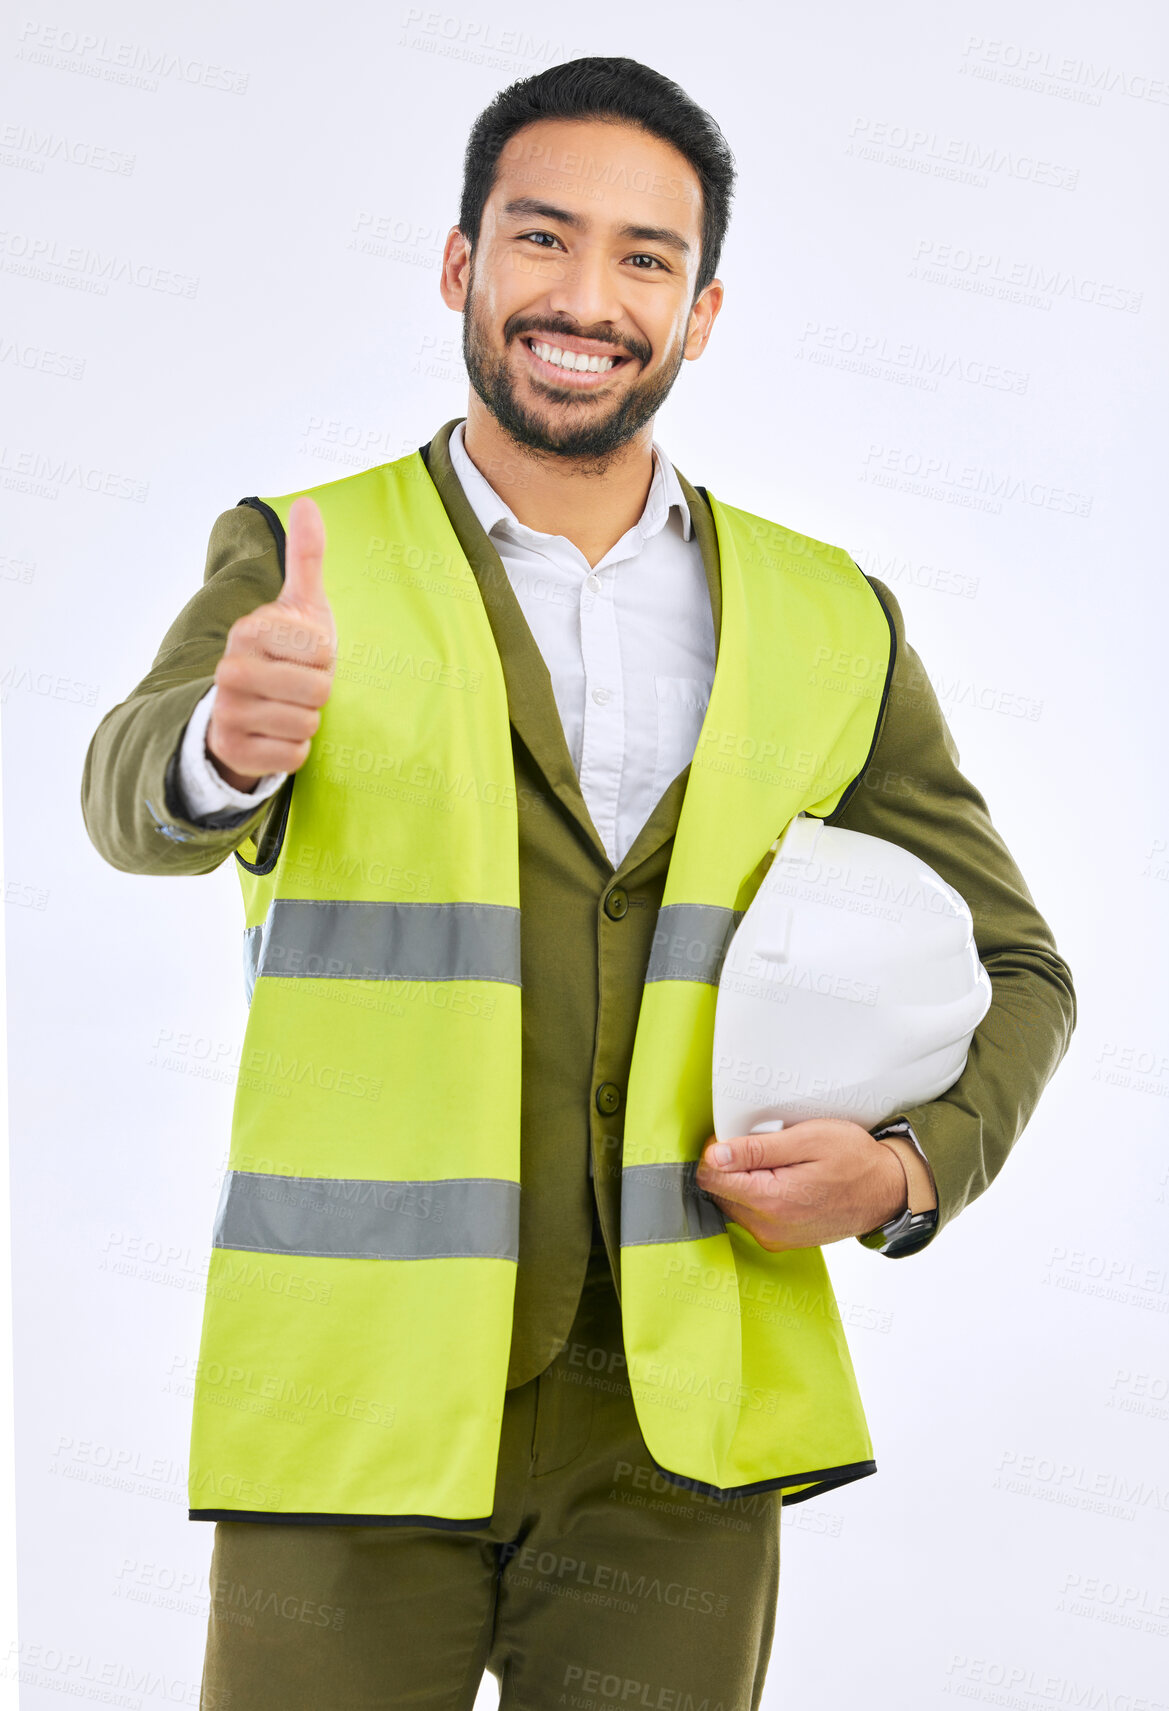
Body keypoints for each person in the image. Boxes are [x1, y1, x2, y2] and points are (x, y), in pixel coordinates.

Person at [81, 55, 1076, 1711]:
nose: (586, 297)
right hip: (356, 1405)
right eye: (542, 239)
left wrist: (907, 1175)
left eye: (644, 260)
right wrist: (221, 748)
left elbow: (1016, 967)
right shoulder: (301, 551)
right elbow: (130, 800)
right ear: (463, 264)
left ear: (698, 312)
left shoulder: (829, 616)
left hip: (676, 1431)